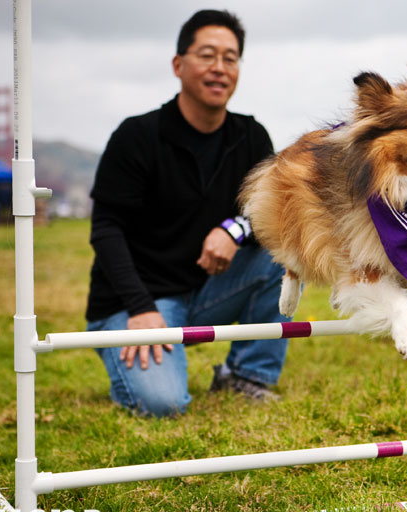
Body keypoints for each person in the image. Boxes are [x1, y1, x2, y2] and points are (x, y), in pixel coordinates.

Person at [85, 9, 289, 417]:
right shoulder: (136, 136)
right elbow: (106, 229)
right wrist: (141, 310)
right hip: (136, 302)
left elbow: (271, 212)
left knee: (280, 252)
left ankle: (246, 377)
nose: (219, 68)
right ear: (178, 65)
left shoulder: (251, 136)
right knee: (163, 404)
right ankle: (123, 350)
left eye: (230, 58)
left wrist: (233, 229)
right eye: (207, 55)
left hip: (208, 291)